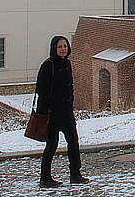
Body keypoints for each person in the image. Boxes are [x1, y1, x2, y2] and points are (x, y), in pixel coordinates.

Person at [35, 35, 90, 187]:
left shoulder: (67, 63)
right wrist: (45, 111)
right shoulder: (48, 65)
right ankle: (45, 178)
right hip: (52, 114)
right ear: (54, 48)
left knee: (73, 143)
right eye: (60, 47)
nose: (63, 49)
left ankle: (75, 174)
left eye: (65, 46)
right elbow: (41, 90)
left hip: (66, 113)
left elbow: (70, 87)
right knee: (51, 146)